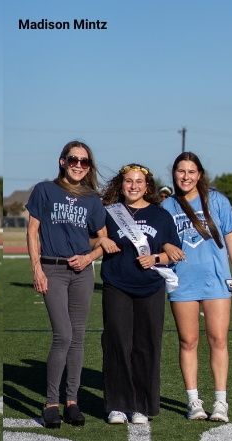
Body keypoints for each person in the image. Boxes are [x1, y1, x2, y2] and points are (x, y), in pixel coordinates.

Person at [25, 141, 107, 429]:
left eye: (85, 162)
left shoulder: (92, 199)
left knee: (78, 336)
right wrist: (37, 269)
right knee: (63, 335)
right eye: (74, 159)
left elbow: (103, 239)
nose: (79, 165)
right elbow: (32, 230)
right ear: (62, 161)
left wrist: (89, 258)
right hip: (53, 268)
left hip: (82, 273)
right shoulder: (44, 190)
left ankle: (72, 402)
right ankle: (50, 403)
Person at [162, 152, 232, 422]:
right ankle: (193, 401)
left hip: (216, 281)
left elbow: (231, 239)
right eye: (181, 171)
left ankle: (221, 402)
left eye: (191, 172)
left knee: (218, 340)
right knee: (188, 342)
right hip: (182, 282)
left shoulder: (217, 200)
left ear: (199, 175)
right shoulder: (167, 207)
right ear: (174, 174)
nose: (186, 176)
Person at [96, 165, 181, 424]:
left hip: (151, 287)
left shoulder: (161, 215)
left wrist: (156, 256)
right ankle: (118, 405)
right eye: (129, 181)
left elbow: (173, 253)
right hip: (117, 284)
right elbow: (92, 239)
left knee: (147, 345)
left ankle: (142, 405)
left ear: (147, 186)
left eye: (139, 182)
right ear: (121, 184)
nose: (134, 186)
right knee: (117, 342)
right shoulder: (108, 213)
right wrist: (100, 241)